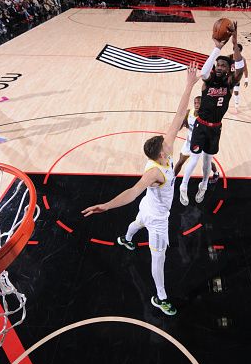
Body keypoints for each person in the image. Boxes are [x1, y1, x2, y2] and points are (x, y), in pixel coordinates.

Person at [82, 63, 201, 316]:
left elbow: (179, 116)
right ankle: (161, 297)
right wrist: (105, 206)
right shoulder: (154, 171)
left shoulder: (164, 151)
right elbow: (133, 191)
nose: (169, 139)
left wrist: (189, 84)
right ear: (161, 153)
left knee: (137, 221)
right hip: (158, 218)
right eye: (164, 143)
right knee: (158, 260)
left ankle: (125, 239)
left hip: (147, 207)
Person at [178, 23, 243, 206]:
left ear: (228, 69)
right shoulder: (209, 80)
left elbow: (239, 67)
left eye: (223, 65)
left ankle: (204, 185)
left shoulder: (230, 82)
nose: (220, 67)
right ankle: (183, 187)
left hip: (216, 128)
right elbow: (204, 71)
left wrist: (235, 40)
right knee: (194, 157)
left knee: (207, 162)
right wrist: (217, 49)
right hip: (201, 125)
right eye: (218, 64)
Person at [173, 95, 219, 183]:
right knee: (180, 161)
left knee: (208, 162)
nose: (196, 105)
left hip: (200, 144)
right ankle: (173, 179)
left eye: (199, 103)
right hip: (189, 142)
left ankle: (216, 173)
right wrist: (179, 124)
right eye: (195, 103)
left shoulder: (206, 116)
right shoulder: (188, 112)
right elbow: (180, 126)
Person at [229, 43, 249, 110]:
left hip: (236, 78)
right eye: (236, 50)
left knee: (236, 92)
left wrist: (246, 80)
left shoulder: (242, 59)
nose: (237, 52)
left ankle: (236, 104)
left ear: (240, 51)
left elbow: (245, 69)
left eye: (239, 50)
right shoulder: (229, 57)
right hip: (229, 77)